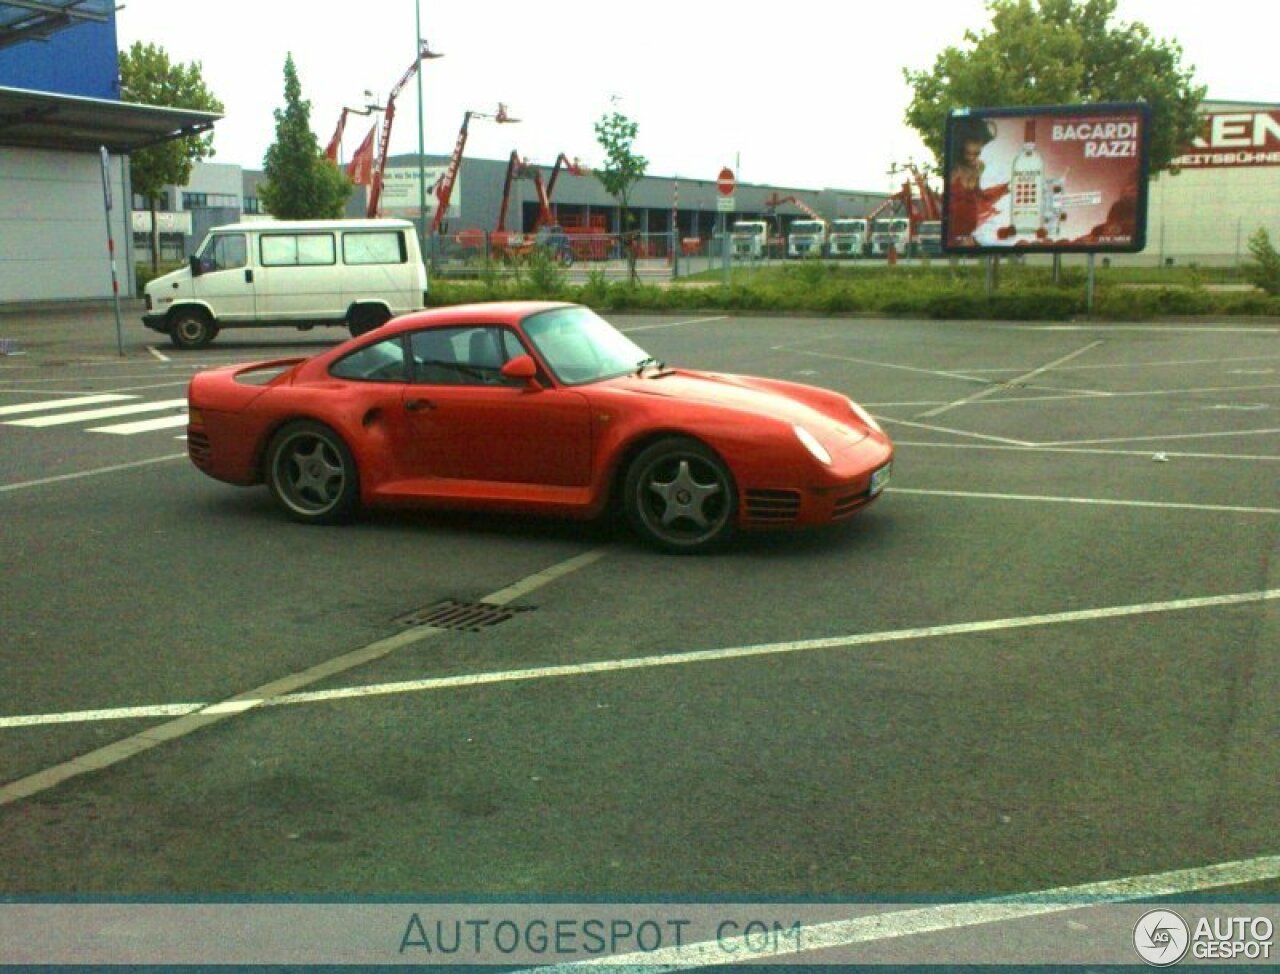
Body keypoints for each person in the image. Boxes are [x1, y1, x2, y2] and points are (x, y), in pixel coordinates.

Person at [948, 117, 1005, 246]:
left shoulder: (983, 168)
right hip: (954, 238)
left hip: (975, 237)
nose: (972, 159)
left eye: (977, 153)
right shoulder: (953, 171)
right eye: (968, 154)